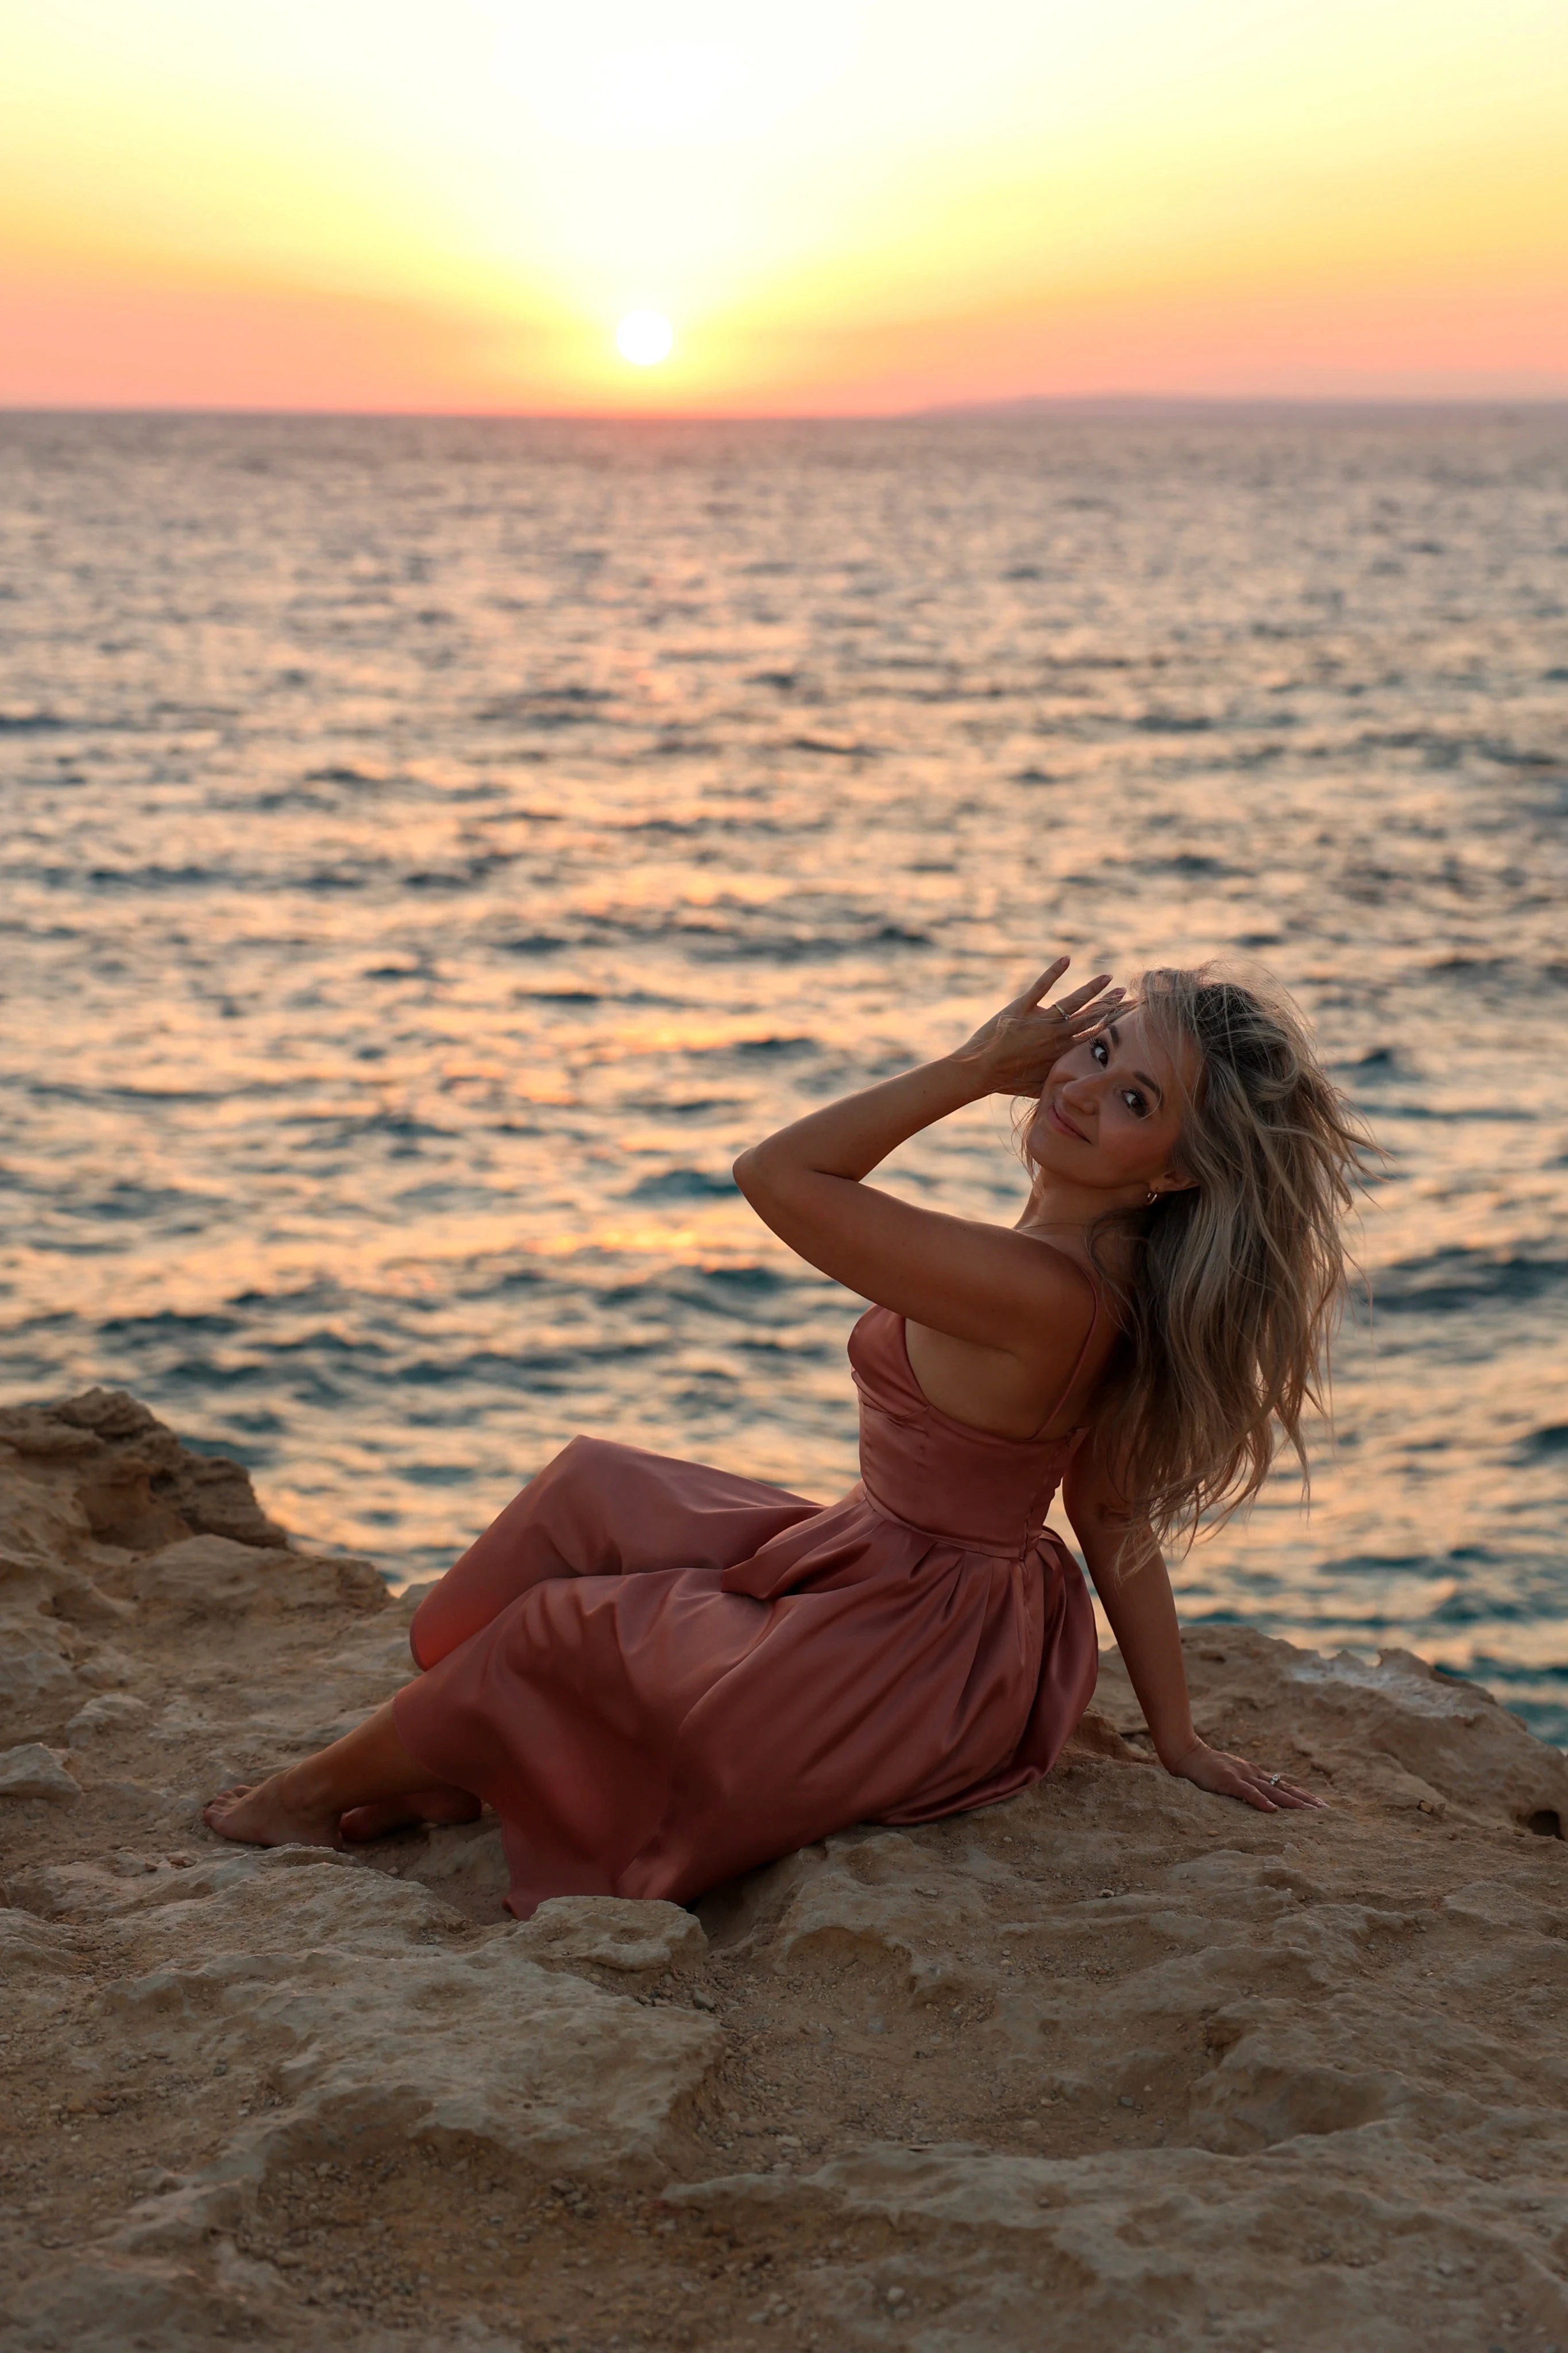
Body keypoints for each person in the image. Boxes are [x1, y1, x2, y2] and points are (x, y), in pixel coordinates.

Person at [204, 956, 1368, 1915]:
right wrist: (1176, 1734)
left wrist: (970, 1070)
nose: (1080, 1083)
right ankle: (457, 1756)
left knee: (555, 1629)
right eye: (1102, 1048)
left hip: (902, 1645)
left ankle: (310, 1798)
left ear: (1174, 1170)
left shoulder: (1039, 1286)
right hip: (934, 1591)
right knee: (594, 1486)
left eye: (1134, 1100)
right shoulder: (1102, 1273)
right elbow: (1110, 1515)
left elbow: (775, 1172)